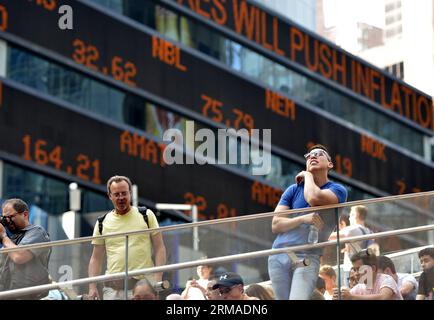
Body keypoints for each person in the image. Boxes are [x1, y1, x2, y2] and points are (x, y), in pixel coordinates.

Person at [268, 144, 348, 300]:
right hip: (278, 254)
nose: (313, 156)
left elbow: (314, 198)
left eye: (319, 154)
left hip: (308, 255)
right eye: (309, 155)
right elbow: (276, 224)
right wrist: (302, 219)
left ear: (330, 164)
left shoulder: (338, 190)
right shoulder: (293, 190)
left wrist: (308, 176)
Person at [87, 175, 167, 300]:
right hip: (113, 290)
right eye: (116, 194)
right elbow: (96, 258)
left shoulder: (146, 215)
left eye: (124, 193)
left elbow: (160, 248)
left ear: (130, 193)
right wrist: (92, 287)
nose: (121, 197)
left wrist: (157, 278)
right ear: (110, 196)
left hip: (143, 288)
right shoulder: (102, 222)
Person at [0, 198, 51, 300]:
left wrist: (3, 236)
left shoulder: (37, 232)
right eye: (4, 219)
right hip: (9, 295)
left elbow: (19, 256)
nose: (7, 222)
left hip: (30, 295)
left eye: (10, 217)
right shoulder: (11, 240)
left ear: (25, 214)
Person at [329, 205, 374, 287]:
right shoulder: (369, 231)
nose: (349, 217)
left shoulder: (352, 229)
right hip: (367, 269)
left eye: (351, 215)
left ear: (355, 215)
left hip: (353, 270)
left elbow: (330, 237)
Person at [333, 250, 402, 300]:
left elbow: (384, 297)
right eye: (355, 270)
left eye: (360, 269)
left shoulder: (386, 279)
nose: (356, 273)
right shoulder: (359, 287)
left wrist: (351, 297)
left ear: (373, 268)